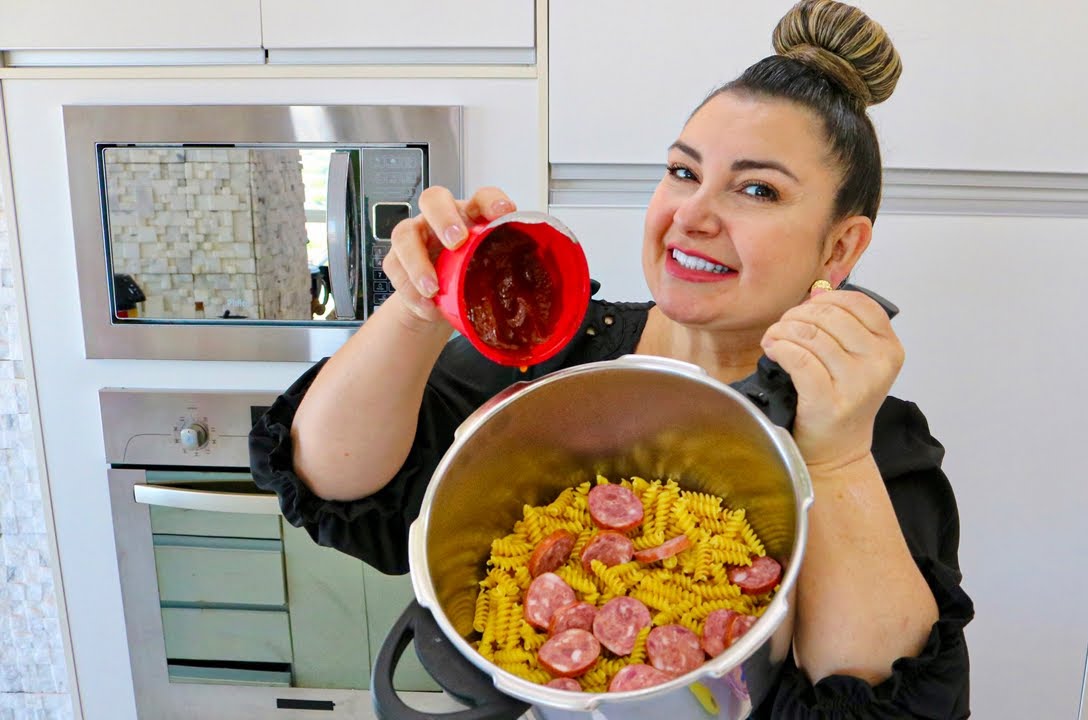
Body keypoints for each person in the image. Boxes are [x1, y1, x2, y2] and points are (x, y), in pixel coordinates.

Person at [250, 0, 973, 716]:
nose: (691, 215)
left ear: (840, 248)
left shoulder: (871, 438)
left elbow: (891, 705)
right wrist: (414, 308)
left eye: (757, 189)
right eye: (684, 173)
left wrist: (839, 456)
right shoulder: (555, 350)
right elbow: (333, 480)